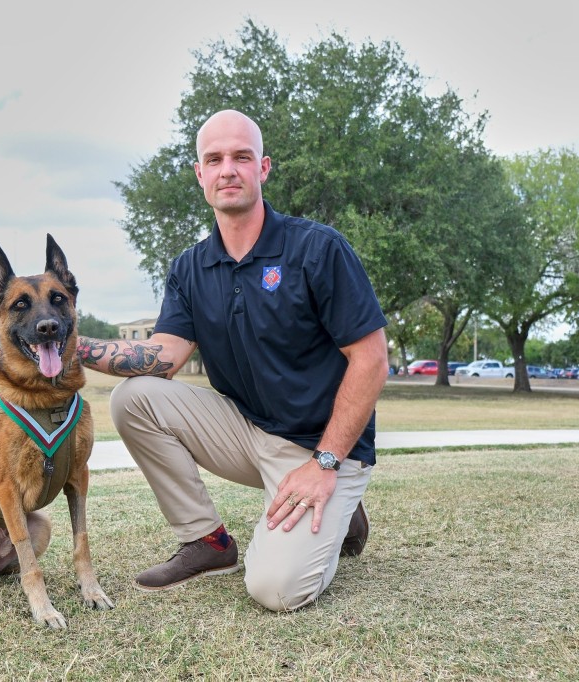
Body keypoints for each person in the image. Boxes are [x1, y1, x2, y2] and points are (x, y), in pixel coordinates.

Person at [77, 110, 388, 611]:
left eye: (241, 157)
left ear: (262, 168)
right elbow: (163, 357)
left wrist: (325, 463)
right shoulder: (190, 267)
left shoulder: (317, 248)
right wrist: (69, 344)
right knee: (134, 398)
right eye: (214, 159)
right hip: (248, 431)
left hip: (323, 447)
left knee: (276, 590)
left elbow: (371, 360)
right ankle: (208, 542)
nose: (228, 169)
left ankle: (337, 506)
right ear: (199, 174)